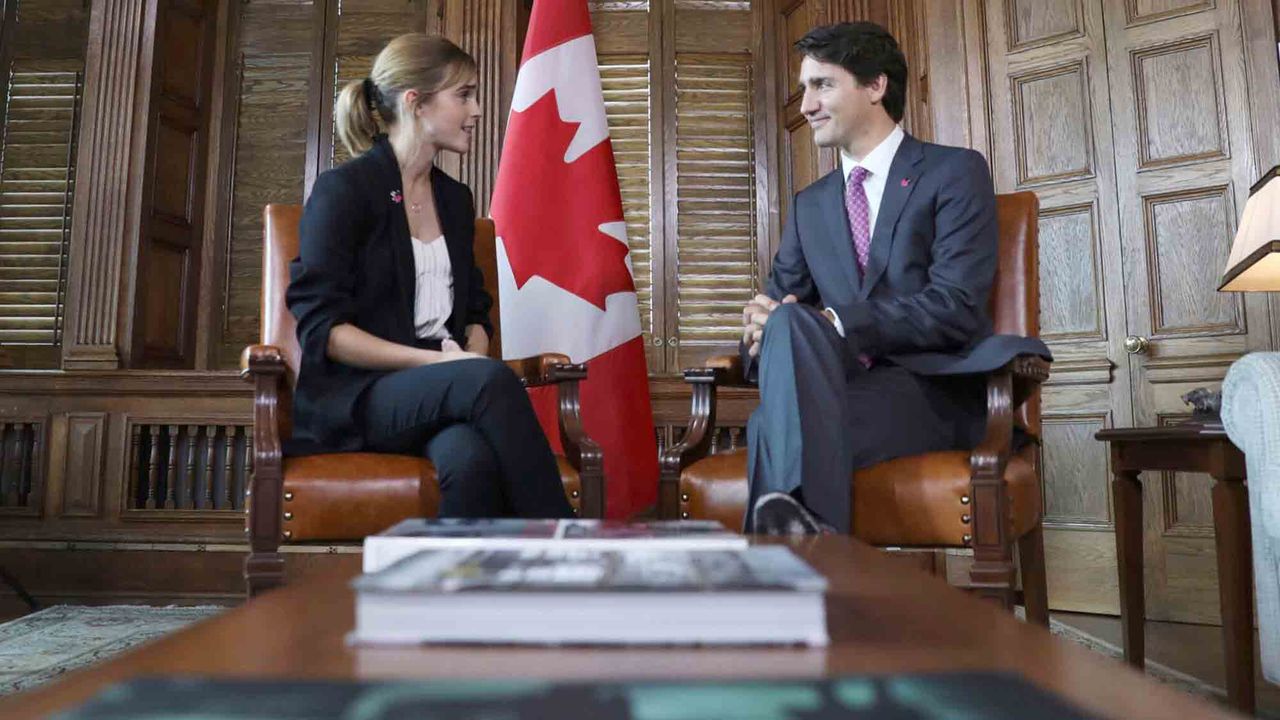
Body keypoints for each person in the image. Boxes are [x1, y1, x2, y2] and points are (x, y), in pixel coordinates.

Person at [744, 22, 1048, 534]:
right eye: (804, 90)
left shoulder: (954, 173)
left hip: (932, 389)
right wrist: (757, 328)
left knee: (771, 429)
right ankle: (816, 569)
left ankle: (794, 577)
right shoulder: (809, 206)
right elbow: (781, 304)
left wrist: (838, 321)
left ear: (875, 86)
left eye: (822, 85)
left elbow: (954, 305)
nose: (806, 107)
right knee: (788, 329)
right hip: (842, 390)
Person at [285, 33, 574, 520]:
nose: (477, 109)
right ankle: (570, 553)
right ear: (415, 103)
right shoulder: (344, 192)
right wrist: (444, 368)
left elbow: (477, 313)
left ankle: (465, 592)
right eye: (463, 95)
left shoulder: (455, 200)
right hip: (360, 397)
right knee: (487, 383)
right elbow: (325, 332)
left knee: (470, 461)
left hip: (445, 391)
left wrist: (467, 358)